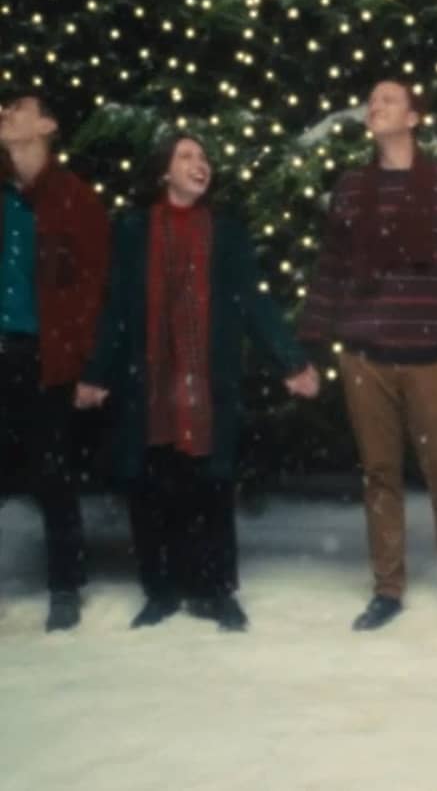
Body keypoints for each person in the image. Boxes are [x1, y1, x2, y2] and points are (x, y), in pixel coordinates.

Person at [299, 80, 437, 631]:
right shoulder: (352, 188)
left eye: (389, 100)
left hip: (436, 355)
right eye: (372, 100)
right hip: (367, 356)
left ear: (415, 117)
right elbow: (331, 270)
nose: (376, 107)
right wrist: (306, 349)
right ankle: (387, 588)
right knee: (380, 475)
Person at [75, 133, 320, 632]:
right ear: (163, 171)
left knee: (211, 484)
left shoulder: (226, 233)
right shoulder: (133, 229)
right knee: (150, 485)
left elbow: (253, 302)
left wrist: (292, 362)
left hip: (208, 379)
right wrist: (97, 373)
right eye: (185, 156)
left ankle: (215, 592)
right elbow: (118, 307)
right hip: (150, 377)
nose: (199, 164)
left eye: (204, 157)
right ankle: (160, 591)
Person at [0, 93, 109, 631]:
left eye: (17, 107)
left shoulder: (74, 200)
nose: (4, 114)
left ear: (47, 124)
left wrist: (90, 368)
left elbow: (94, 291)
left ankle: (65, 586)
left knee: (53, 474)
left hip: (45, 356)